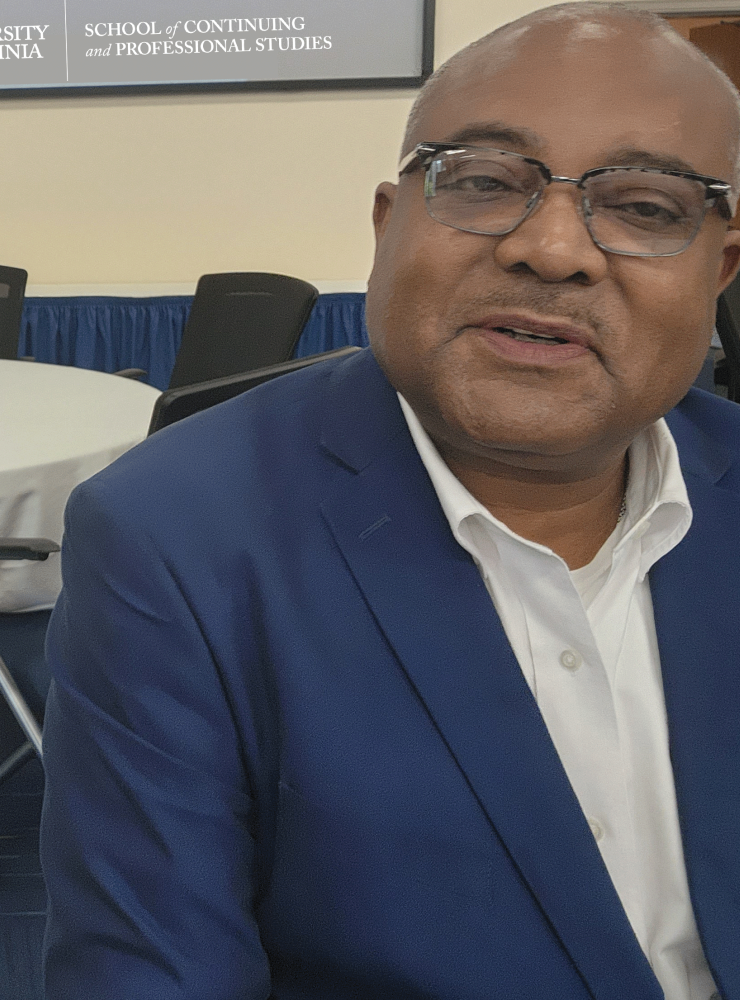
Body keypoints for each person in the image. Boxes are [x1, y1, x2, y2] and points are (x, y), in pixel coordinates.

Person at [40, 5, 740, 998]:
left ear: (719, 269)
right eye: (488, 181)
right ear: (386, 225)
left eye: (645, 206)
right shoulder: (175, 537)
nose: (552, 248)